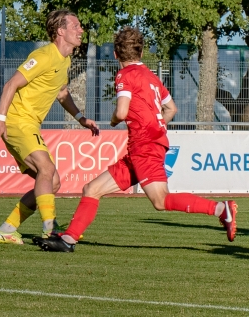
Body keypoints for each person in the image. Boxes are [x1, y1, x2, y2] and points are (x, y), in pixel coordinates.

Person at [39, 27, 237, 252]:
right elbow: (171, 108)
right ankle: (68, 239)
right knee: (91, 189)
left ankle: (221, 209)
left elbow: (122, 112)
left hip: (145, 146)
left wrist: (115, 120)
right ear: (141, 53)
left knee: (160, 200)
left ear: (115, 54)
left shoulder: (125, 75)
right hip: (142, 146)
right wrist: (157, 125)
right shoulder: (151, 77)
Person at [0, 10, 99, 244]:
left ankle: (7, 229)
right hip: (18, 121)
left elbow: (61, 92)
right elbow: (11, 84)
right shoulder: (45, 55)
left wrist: (80, 118)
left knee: (51, 181)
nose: (81, 30)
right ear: (61, 31)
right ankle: (50, 228)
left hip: (30, 125)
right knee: (46, 170)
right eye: (76, 26)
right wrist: (0, 119)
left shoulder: (64, 59)